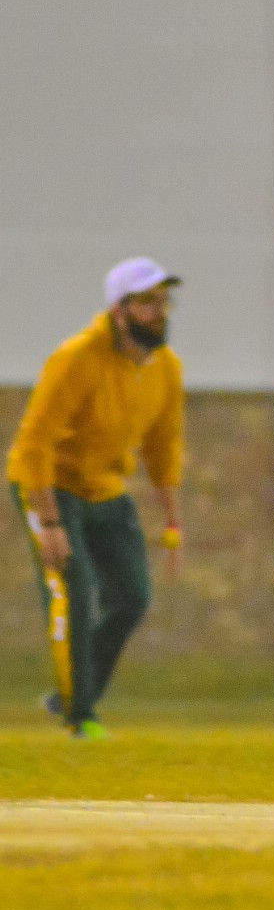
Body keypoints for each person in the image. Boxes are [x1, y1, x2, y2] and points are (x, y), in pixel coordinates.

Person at [7, 257, 185, 738]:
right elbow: (34, 445)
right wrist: (49, 524)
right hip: (50, 487)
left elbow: (163, 447)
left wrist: (172, 522)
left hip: (105, 487)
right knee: (74, 592)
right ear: (119, 310)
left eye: (163, 300)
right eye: (146, 302)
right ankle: (79, 715)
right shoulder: (78, 358)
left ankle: (69, 693)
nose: (159, 311)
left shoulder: (166, 368)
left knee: (132, 598)